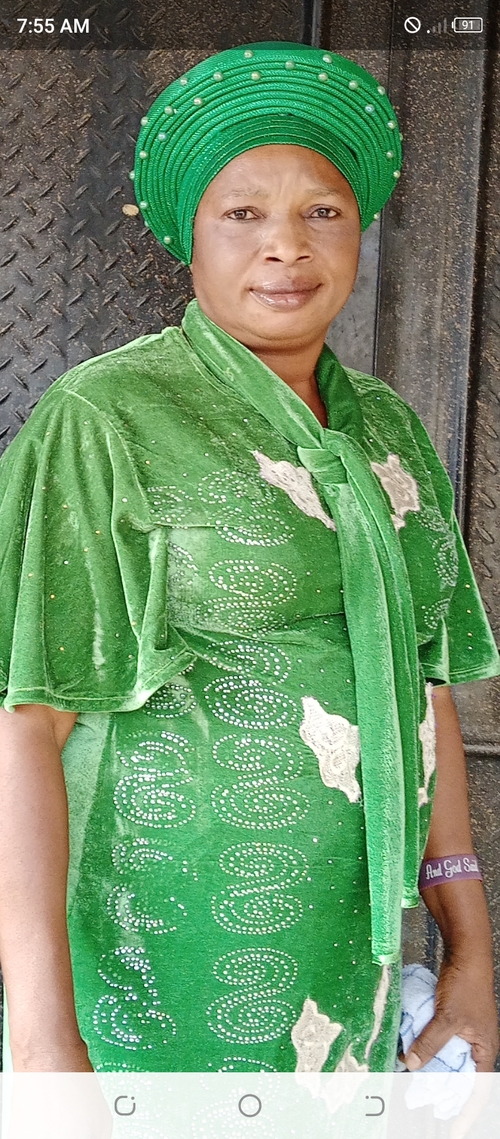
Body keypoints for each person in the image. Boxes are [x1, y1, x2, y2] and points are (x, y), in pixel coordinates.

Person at [0, 41, 498, 1076]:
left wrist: (468, 954)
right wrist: (48, 1047)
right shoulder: (105, 417)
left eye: (321, 211)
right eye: (242, 213)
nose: (286, 247)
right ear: (188, 234)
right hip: (155, 974)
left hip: (349, 969)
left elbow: (425, 691)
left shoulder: (388, 432)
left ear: (357, 228)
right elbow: (27, 723)